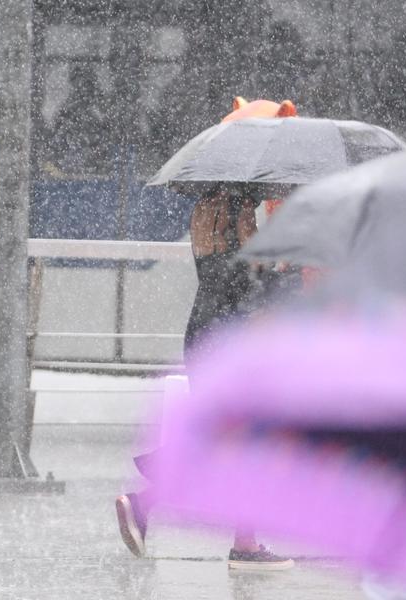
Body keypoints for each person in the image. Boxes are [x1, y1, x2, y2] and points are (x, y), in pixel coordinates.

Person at [115, 187, 294, 570]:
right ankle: (242, 544)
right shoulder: (241, 223)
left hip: (205, 337)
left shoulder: (208, 216)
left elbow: (234, 284)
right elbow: (258, 295)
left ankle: (155, 505)